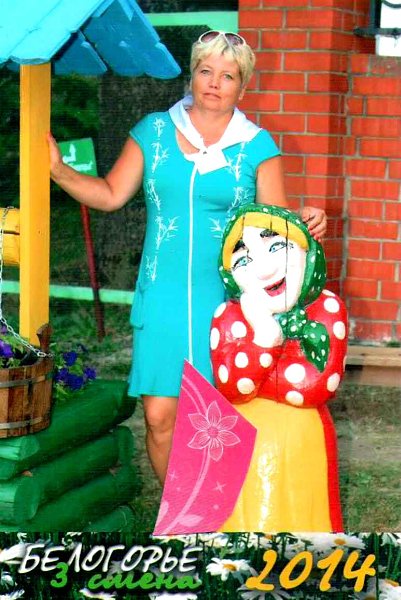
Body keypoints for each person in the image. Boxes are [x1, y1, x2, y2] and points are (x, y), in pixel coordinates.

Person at [48, 30, 327, 485]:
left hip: (231, 302)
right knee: (159, 416)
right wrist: (59, 170)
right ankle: (179, 514)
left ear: (242, 87)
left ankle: (221, 510)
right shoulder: (153, 131)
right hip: (163, 294)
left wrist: (309, 220)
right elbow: (111, 194)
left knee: (223, 417)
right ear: (192, 76)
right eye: (205, 71)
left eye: (228, 76)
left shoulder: (258, 146)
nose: (214, 83)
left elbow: (275, 225)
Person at [210, 203, 348, 531]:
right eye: (244, 261)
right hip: (241, 438)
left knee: (307, 513)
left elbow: (316, 386)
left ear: (306, 250)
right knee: (242, 518)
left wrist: (257, 372)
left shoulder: (326, 308)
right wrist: (266, 335)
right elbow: (230, 387)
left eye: (276, 247)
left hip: (304, 437)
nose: (264, 270)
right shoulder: (228, 316)